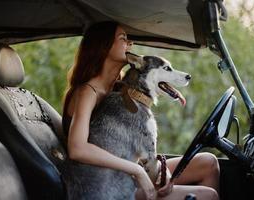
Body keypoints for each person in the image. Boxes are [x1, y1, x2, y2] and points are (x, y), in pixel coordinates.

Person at [62, 21, 220, 200]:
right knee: (209, 196)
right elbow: (77, 149)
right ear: (103, 46)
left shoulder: (119, 88)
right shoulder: (87, 92)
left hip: (124, 172)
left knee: (208, 162)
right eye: (123, 39)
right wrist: (137, 170)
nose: (130, 44)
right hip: (106, 186)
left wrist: (157, 171)